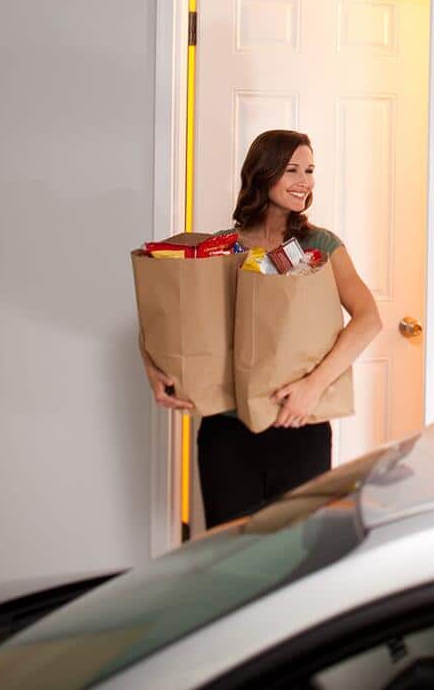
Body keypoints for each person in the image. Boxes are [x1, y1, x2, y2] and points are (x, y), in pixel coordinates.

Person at [142, 130, 382, 527]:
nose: (305, 181)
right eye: (292, 170)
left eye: (309, 170)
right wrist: (153, 368)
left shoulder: (319, 244)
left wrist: (313, 386)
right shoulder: (221, 248)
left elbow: (368, 317)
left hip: (298, 422)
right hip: (227, 431)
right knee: (230, 553)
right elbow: (167, 320)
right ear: (263, 173)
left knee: (298, 550)